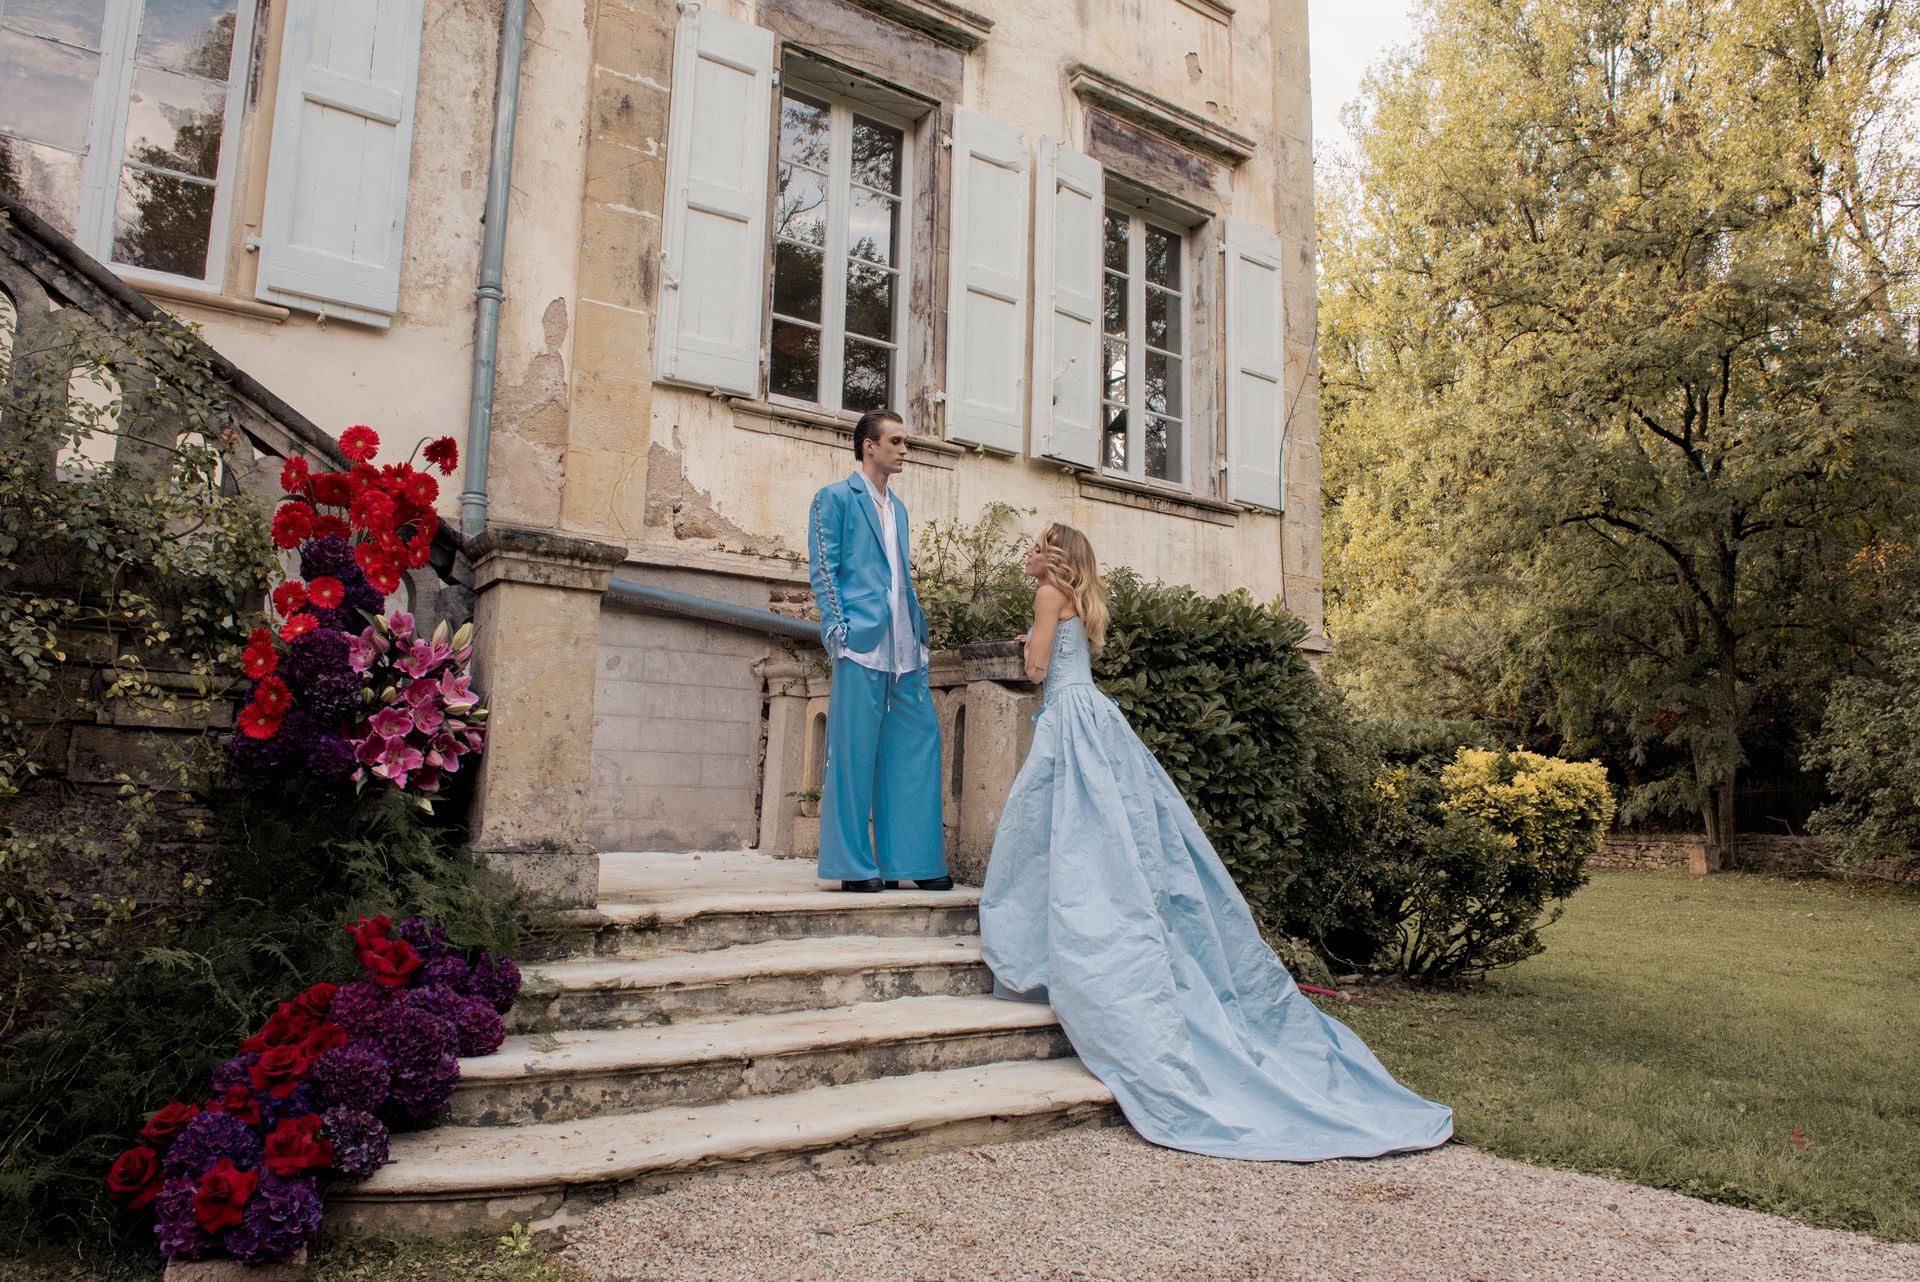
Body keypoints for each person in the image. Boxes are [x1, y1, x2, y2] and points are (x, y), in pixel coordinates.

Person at [979, 522, 1453, 1160]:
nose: (1029, 552)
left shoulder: (1045, 594)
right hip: (1098, 716)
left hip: (1066, 718)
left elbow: (1037, 670)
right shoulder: (1082, 601)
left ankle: (1050, 946)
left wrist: (1027, 645)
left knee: (1053, 837)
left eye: (1038, 545)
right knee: (1099, 841)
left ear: (1057, 558)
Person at [805, 410, 952, 893]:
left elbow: (898, 577)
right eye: (896, 441)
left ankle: (913, 860)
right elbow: (825, 568)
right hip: (860, 644)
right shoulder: (834, 499)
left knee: (917, 745)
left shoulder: (900, 508)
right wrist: (838, 629)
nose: (904, 449)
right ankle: (853, 867)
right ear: (869, 446)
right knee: (852, 756)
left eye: (905, 442)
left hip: (905, 646)